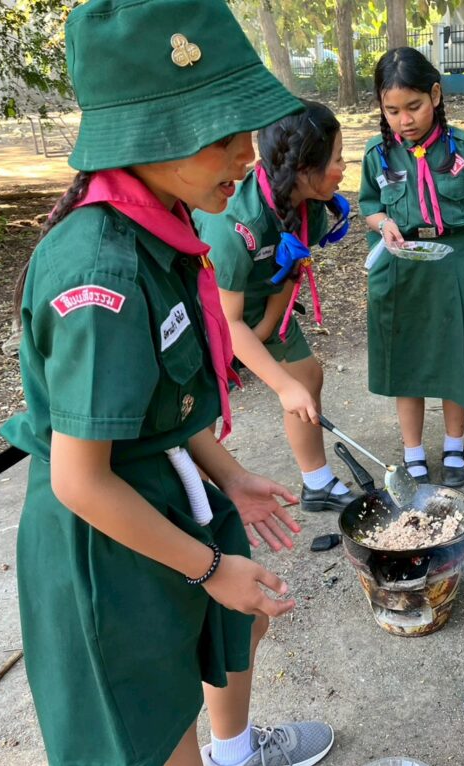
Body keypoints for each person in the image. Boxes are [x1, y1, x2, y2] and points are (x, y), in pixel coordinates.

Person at [0, 1, 334, 765]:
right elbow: (81, 480)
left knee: (235, 629)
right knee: (153, 728)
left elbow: (162, 404)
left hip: (164, 493)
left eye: (245, 129)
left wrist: (231, 476)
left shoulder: (163, 219)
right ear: (143, 134)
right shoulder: (102, 277)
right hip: (109, 542)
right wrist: (210, 567)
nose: (247, 154)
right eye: (220, 135)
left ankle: (235, 750)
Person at [359, 47, 464, 488]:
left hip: (456, 269)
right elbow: (369, 206)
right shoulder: (377, 154)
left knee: (454, 360)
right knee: (406, 362)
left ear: (436, 95)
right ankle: (413, 452)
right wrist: (383, 223)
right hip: (401, 271)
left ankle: (454, 446)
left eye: (414, 106)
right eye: (392, 110)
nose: (404, 120)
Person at [196, 101, 358, 512]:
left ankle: (317, 483)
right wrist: (281, 386)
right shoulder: (235, 224)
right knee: (200, 416)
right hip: (206, 312)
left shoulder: (309, 204)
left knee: (306, 376)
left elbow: (292, 268)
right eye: (337, 159)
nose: (343, 168)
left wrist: (268, 327)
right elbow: (228, 321)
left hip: (261, 302)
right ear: (303, 168)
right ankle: (198, 509)